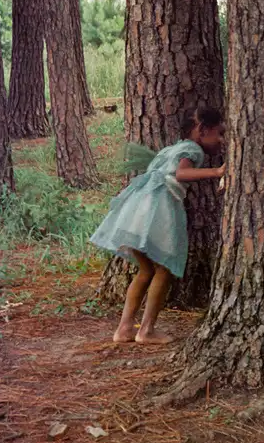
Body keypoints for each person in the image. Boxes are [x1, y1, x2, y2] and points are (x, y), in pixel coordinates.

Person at [91, 106, 226, 345]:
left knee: (145, 271)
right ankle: (146, 330)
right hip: (159, 211)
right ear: (203, 130)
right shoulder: (192, 149)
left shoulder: (169, 149)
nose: (222, 140)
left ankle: (124, 328)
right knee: (163, 270)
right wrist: (217, 171)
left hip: (136, 211)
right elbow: (181, 174)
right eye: (219, 133)